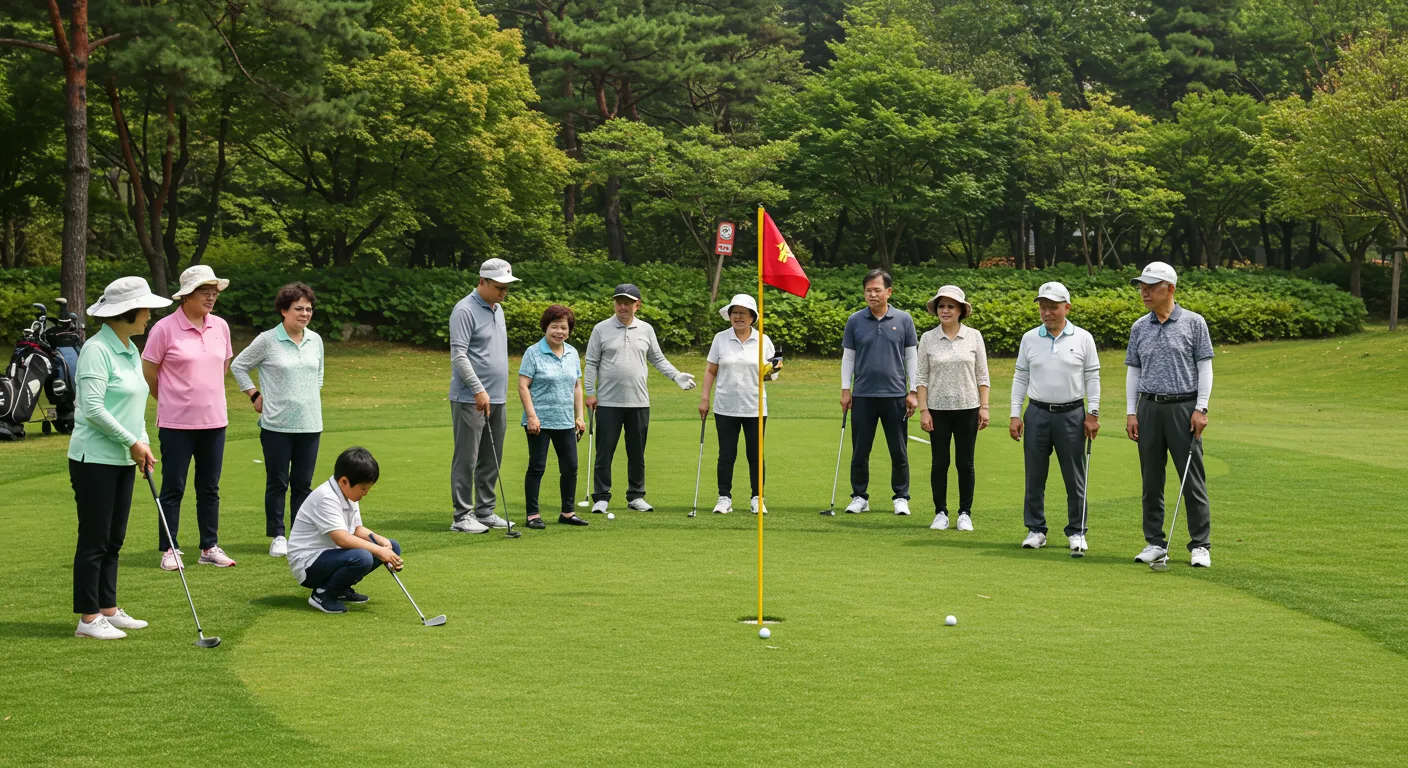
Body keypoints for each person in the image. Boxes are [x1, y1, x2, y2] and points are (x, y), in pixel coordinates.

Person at [68, 277, 171, 639]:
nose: (149, 316)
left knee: (115, 538)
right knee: (95, 539)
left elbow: (133, 407)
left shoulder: (128, 349)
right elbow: (93, 408)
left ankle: (108, 609)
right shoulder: (96, 350)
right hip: (93, 458)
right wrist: (132, 442)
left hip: (124, 457)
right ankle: (88, 618)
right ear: (128, 313)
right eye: (145, 310)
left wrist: (142, 443)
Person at [142, 264, 236, 570]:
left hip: (215, 421)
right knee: (173, 487)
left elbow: (222, 367)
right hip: (176, 423)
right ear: (186, 296)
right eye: (204, 292)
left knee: (210, 487)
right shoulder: (164, 328)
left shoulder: (220, 326)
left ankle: (209, 546)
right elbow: (150, 372)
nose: (211, 297)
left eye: (214, 292)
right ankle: (170, 549)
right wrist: (170, 398)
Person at [1125, 262, 1215, 568]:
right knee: (1151, 480)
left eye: (1151, 287)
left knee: (1192, 479)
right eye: (1142, 288)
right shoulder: (1139, 327)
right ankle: (1155, 542)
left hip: (1183, 408)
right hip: (1148, 408)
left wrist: (1201, 408)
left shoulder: (1193, 323)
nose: (1145, 293)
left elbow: (1205, 368)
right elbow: (1134, 371)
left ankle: (1200, 545)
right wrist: (1131, 411)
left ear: (1170, 288)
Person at [583, 284, 696, 513]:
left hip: (639, 402)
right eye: (619, 302)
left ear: (638, 305)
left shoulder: (646, 329)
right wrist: (590, 393)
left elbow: (657, 358)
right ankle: (601, 497)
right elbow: (592, 362)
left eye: (627, 303)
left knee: (637, 453)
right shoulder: (601, 329)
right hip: (608, 402)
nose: (622, 307)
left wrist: (676, 376)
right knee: (605, 452)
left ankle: (636, 496)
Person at [231, 283, 325, 558]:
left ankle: (300, 535)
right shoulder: (267, 340)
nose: (305, 314)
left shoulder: (315, 340)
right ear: (284, 310)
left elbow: (318, 376)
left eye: (308, 309)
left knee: (303, 484)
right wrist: (254, 395)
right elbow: (239, 366)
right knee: (278, 482)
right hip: (276, 425)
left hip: (310, 424)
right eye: (298, 309)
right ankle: (278, 536)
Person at [1009, 282, 1101, 553]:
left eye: (1053, 307)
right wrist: (1015, 414)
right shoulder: (1029, 338)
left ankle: (1077, 531)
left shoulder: (1083, 337)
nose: (1046, 312)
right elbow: (1021, 377)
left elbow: (1092, 377)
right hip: (1037, 412)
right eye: (1042, 307)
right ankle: (1035, 529)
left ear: (1067, 308)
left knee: (1074, 477)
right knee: (1034, 475)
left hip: (1072, 414)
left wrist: (1093, 413)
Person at [448, 259, 519, 534]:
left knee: (492, 457)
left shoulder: (498, 309)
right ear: (482, 281)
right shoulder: (464, 310)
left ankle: (485, 512)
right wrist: (478, 389)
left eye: (507, 287)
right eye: (499, 287)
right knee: (467, 458)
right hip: (470, 398)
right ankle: (461, 516)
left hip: (497, 397)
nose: (504, 292)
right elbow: (459, 355)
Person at [287, 447, 404, 614]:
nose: (366, 493)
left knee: (392, 546)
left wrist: (380, 541)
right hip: (308, 563)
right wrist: (379, 551)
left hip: (330, 556)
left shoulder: (347, 494)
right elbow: (342, 539)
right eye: (363, 488)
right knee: (362, 557)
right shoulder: (326, 497)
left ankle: (340, 589)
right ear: (344, 481)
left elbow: (356, 529)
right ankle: (323, 594)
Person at [841, 269, 919, 515]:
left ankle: (901, 496)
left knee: (898, 450)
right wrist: (846, 389)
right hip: (863, 395)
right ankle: (859, 496)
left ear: (889, 292)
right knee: (860, 450)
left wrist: (913, 390)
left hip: (895, 395)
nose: (872, 294)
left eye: (877, 290)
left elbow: (911, 357)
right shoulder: (855, 320)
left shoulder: (904, 319)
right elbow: (849, 357)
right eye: (868, 290)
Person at [916, 285, 990, 530]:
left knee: (965, 463)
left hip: (968, 408)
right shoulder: (928, 338)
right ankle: (940, 512)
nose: (945, 310)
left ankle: (964, 513)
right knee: (939, 463)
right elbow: (921, 379)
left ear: (961, 310)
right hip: (937, 410)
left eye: (951, 306)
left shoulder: (974, 336)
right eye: (941, 306)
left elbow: (982, 376)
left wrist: (984, 407)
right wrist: (924, 411)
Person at [698, 294, 780, 515]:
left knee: (755, 455)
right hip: (725, 405)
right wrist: (704, 398)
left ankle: (757, 498)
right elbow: (710, 370)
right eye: (735, 313)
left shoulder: (764, 340)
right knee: (726, 454)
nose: (738, 317)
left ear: (752, 317)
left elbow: (770, 376)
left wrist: (773, 370)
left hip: (755, 407)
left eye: (743, 313)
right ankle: (724, 498)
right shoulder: (720, 338)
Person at [518, 305, 589, 529]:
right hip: (538, 421)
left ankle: (567, 512)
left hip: (565, 420)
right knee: (537, 467)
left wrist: (580, 417)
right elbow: (523, 386)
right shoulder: (533, 352)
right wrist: (531, 416)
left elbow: (577, 386)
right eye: (554, 326)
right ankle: (533, 515)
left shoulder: (572, 353)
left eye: (564, 327)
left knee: (570, 467)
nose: (559, 331)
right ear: (546, 327)